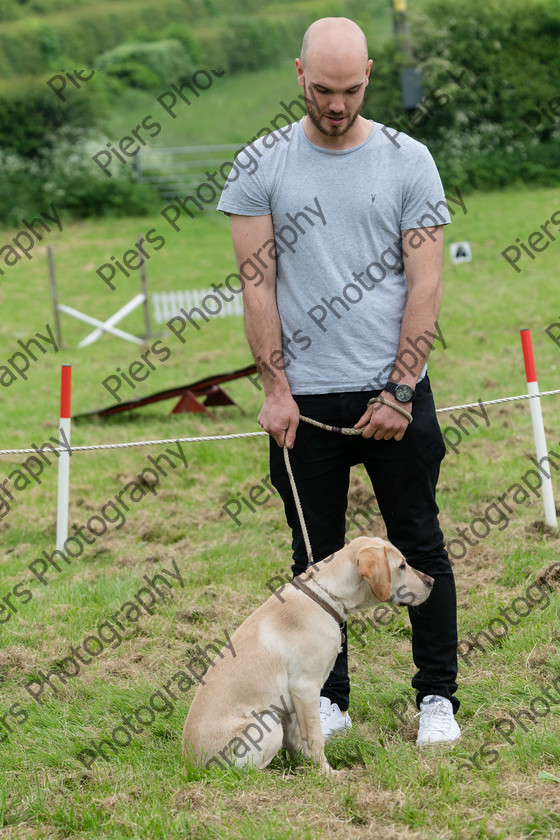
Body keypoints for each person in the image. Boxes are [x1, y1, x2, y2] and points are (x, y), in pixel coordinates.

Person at [217, 16, 460, 747]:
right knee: (313, 557)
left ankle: (436, 700)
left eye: (350, 89)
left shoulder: (408, 160)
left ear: (369, 76)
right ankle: (330, 701)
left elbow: (427, 281)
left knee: (419, 546)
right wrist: (276, 389)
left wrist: (401, 389)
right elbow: (256, 285)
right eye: (323, 89)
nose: (335, 104)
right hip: (304, 405)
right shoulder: (259, 164)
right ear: (298, 75)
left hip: (394, 392)